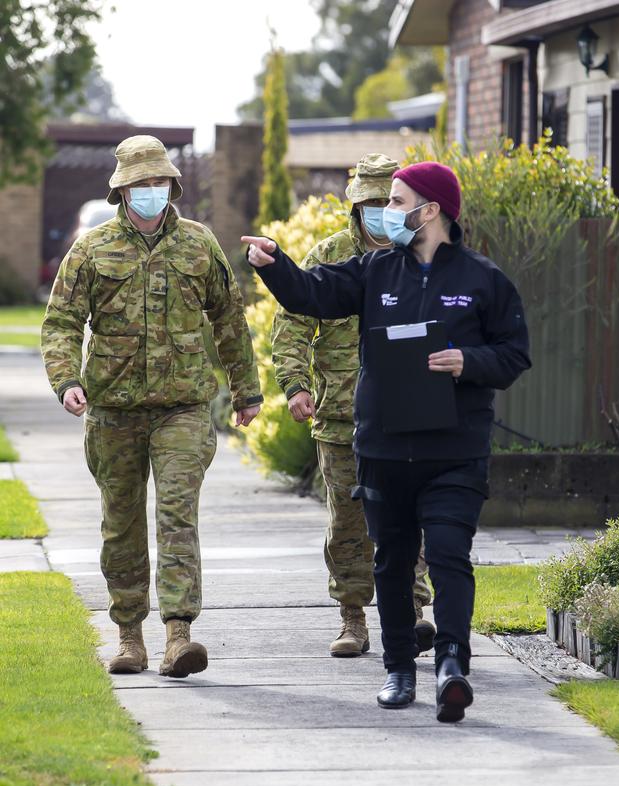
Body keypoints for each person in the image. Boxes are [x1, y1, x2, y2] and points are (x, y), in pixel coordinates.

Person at [243, 161, 531, 722]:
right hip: (384, 450)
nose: (387, 213)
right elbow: (310, 294)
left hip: (455, 451)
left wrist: (469, 361)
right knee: (392, 562)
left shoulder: (483, 279)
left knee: (448, 555)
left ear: (432, 211)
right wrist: (275, 264)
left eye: (397, 202)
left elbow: (514, 354)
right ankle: (400, 670)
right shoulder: (375, 270)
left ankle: (452, 664)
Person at [42, 135, 262, 679]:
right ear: (122, 189)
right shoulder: (91, 250)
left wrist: (246, 389)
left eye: (159, 181)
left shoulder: (198, 244)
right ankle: (129, 636)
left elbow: (229, 320)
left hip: (183, 407)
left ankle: (179, 634)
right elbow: (62, 323)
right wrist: (65, 379)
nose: (151, 191)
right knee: (121, 523)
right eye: (141, 183)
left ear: (172, 186)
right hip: (114, 411)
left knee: (176, 514)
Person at [271, 153, 434, 657]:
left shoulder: (427, 255)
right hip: (342, 417)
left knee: (409, 515)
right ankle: (353, 618)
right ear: (355, 206)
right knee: (348, 522)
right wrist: (296, 384)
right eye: (368, 202)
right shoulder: (331, 255)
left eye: (386, 201)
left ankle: (413, 612)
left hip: (409, 414)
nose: (377, 211)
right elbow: (293, 321)